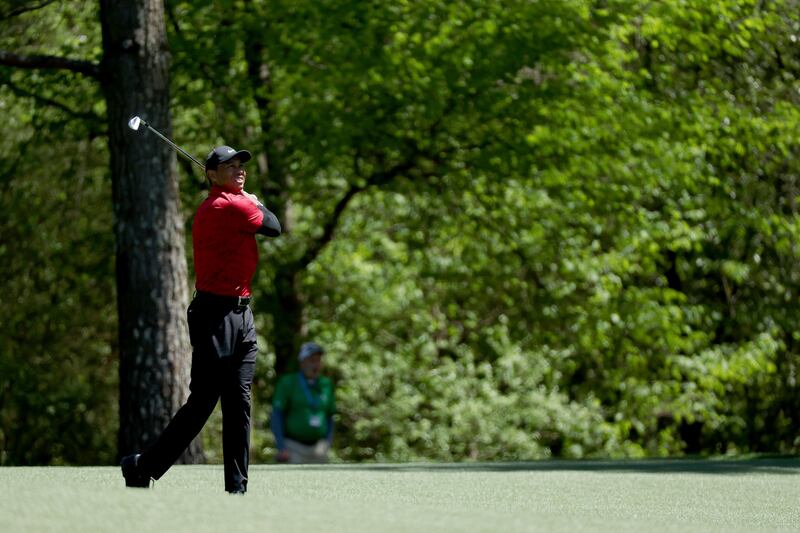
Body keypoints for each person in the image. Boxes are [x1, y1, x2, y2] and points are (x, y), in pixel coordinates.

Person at [120, 145, 281, 493]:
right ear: (211, 173)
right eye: (230, 166)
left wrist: (251, 201)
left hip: (242, 313)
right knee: (203, 403)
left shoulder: (233, 203)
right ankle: (141, 465)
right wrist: (255, 202)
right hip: (215, 315)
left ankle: (236, 488)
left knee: (239, 401)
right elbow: (274, 227)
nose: (239, 171)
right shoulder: (225, 205)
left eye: (241, 166)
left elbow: (270, 225)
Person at [271, 342, 336, 464]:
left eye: (318, 360)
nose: (315, 365)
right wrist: (281, 447)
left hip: (319, 449)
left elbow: (330, 416)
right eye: (312, 360)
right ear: (302, 362)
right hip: (293, 447)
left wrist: (328, 442)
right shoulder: (288, 383)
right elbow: (277, 415)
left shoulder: (326, 384)